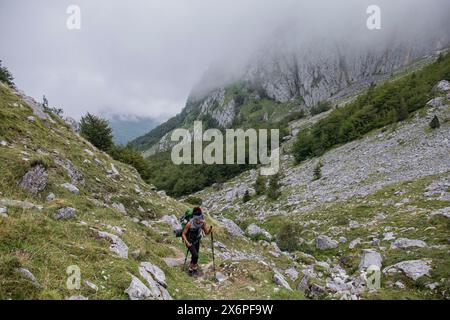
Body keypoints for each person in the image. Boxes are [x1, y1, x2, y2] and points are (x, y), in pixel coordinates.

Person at [181, 207, 212, 276]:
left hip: (197, 240)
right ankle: (190, 269)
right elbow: (183, 234)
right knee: (195, 255)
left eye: (200, 218)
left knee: (195, 256)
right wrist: (187, 242)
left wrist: (209, 230)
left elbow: (206, 233)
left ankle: (194, 269)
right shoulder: (190, 223)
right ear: (194, 218)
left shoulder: (202, 223)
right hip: (189, 241)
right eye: (198, 219)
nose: (199, 220)